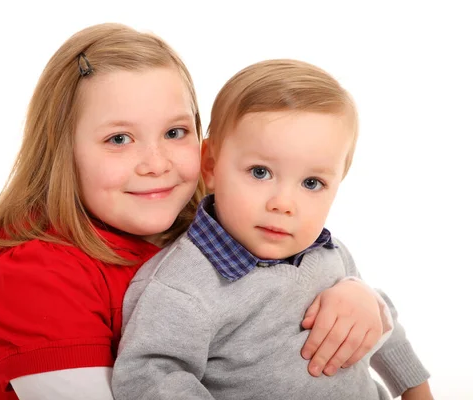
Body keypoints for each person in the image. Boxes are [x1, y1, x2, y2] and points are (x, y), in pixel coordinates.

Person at [0, 24, 394, 400]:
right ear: (63, 152)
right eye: (119, 139)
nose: (155, 163)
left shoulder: (213, 233)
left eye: (175, 132)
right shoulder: (38, 278)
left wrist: (357, 293)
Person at [111, 59, 432, 400]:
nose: (283, 203)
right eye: (260, 172)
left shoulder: (329, 253)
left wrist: (417, 391)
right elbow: (152, 376)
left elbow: (379, 328)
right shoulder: (184, 287)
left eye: (312, 182)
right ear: (211, 165)